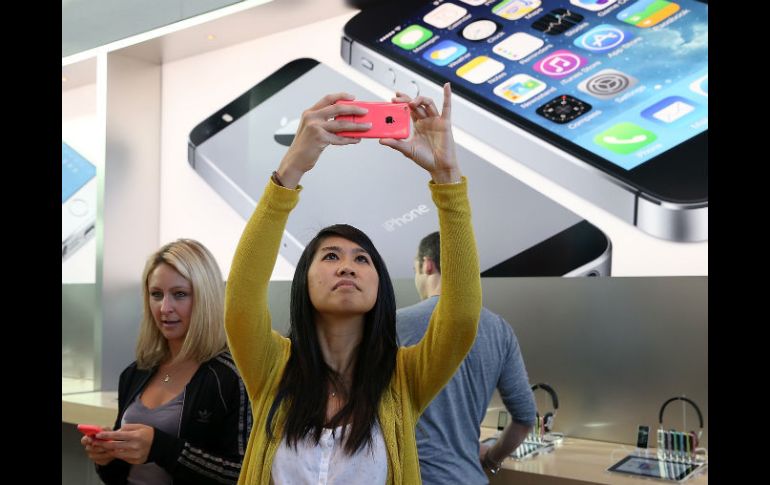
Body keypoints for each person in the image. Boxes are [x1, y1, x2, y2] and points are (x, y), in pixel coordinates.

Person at [225, 83, 482, 484]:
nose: (347, 267)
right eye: (331, 256)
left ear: (380, 286)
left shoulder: (405, 378)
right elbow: (241, 301)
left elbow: (461, 318)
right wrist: (291, 168)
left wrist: (447, 177)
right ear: (304, 281)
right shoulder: (272, 367)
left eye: (362, 259)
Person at [80, 239, 252, 485]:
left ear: (206, 298)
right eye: (156, 294)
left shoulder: (232, 378)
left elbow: (243, 474)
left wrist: (161, 448)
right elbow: (118, 475)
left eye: (180, 294)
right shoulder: (136, 372)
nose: (164, 308)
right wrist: (107, 456)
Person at [397, 231, 536, 484]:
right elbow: (525, 418)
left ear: (427, 265)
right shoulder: (499, 329)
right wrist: (491, 459)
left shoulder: (394, 324)